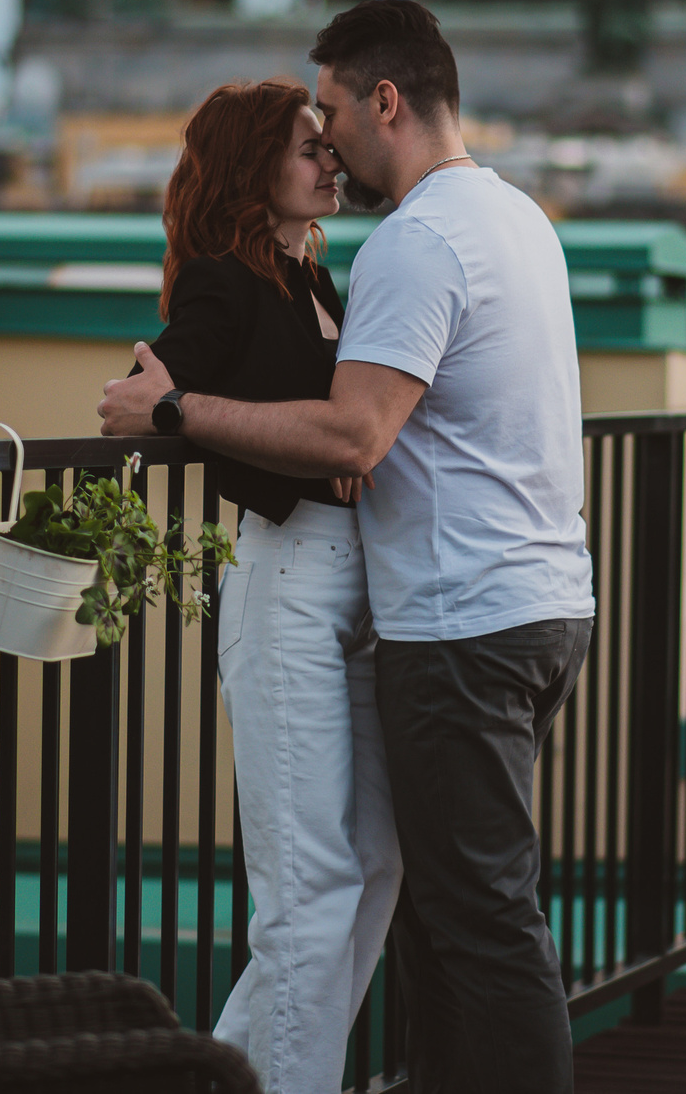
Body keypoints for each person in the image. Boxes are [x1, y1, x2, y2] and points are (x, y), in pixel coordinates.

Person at [104, 0, 594, 1094]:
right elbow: (172, 370)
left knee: (458, 913)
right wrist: (165, 401)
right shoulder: (516, 218)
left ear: (386, 99)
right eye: (303, 134)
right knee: (382, 895)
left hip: (455, 618)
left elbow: (355, 430)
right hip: (466, 600)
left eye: (329, 114)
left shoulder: (408, 243)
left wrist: (183, 415)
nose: (326, 143)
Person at [139, 77, 401, 1094]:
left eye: (327, 144)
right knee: (308, 891)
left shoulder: (320, 285)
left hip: (363, 594)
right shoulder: (221, 279)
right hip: (288, 581)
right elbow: (166, 399)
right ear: (254, 165)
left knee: (375, 869)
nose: (329, 159)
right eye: (308, 146)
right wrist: (303, 456)